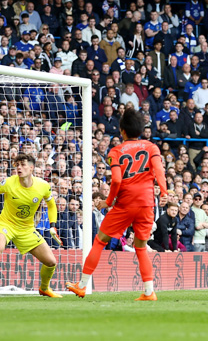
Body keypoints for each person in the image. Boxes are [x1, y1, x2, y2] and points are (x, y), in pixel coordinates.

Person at [67, 108, 167, 301]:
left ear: (122, 131)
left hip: (125, 204)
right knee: (140, 247)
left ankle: (81, 286)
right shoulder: (151, 147)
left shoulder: (115, 151)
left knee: (99, 241)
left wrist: (108, 202)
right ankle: (149, 292)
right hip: (147, 204)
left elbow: (117, 181)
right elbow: (159, 170)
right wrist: (163, 191)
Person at [0, 153, 62, 299]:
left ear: (31, 168)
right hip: (6, 224)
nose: (19, 168)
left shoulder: (43, 186)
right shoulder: (9, 183)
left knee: (51, 262)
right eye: (17, 165)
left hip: (27, 229)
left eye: (23, 165)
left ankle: (44, 288)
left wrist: (53, 225)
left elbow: (52, 205)